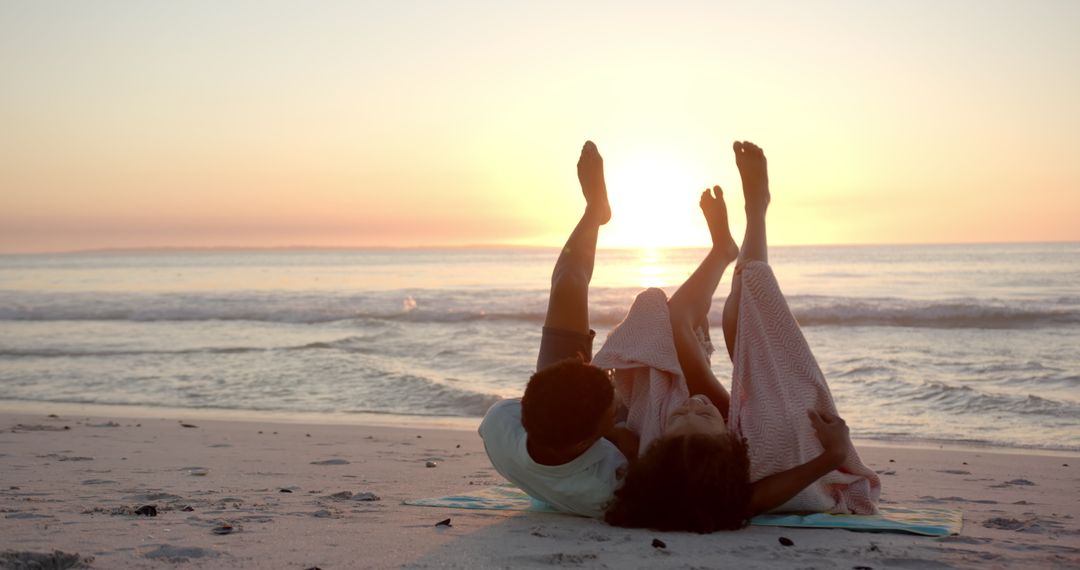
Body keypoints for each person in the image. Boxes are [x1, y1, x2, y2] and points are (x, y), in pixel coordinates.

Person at [604, 141, 879, 533]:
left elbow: (612, 431)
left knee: (670, 317)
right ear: (731, 448)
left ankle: (721, 250)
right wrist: (830, 455)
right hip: (758, 434)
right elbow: (765, 493)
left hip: (698, 437)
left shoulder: (659, 468)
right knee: (744, 303)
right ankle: (757, 210)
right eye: (701, 413)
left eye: (683, 414)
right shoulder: (733, 485)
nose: (694, 403)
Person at [478, 141, 637, 518]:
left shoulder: (499, 423)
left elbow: (554, 412)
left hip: (566, 432)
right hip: (617, 439)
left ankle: (595, 211)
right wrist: (621, 433)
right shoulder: (608, 484)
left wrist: (590, 409)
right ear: (592, 437)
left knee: (567, 283)